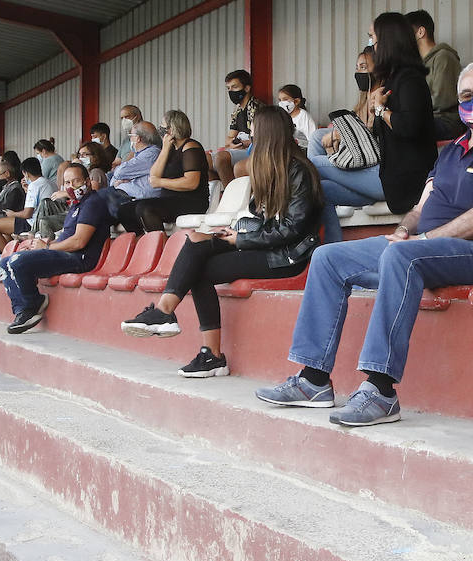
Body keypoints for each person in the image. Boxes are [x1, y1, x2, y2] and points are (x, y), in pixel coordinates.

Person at [256, 61, 473, 427]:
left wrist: (419, 241)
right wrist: (406, 231)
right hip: (424, 246)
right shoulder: (453, 150)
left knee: (402, 257)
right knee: (328, 258)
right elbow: (421, 207)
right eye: (467, 95)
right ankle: (313, 381)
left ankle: (381, 390)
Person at [122, 107, 323, 378]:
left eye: (254, 129)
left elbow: (291, 230)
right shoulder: (270, 168)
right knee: (197, 238)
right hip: (266, 243)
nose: (250, 133)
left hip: (287, 256)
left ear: (267, 134)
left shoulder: (299, 171)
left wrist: (242, 239)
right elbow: (261, 218)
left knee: (199, 269)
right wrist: (231, 231)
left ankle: (196, 340)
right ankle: (170, 316)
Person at [312, 12, 437, 241]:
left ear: (388, 41)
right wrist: (370, 115)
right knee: (321, 191)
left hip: (403, 180)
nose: (371, 44)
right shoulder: (392, 79)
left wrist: (380, 109)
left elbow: (408, 127)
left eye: (373, 38)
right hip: (387, 172)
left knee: (310, 163)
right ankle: (331, 249)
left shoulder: (410, 79)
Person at [0, 162, 111, 334]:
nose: (71, 186)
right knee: (5, 263)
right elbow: (67, 236)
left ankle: (33, 305)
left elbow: (79, 242)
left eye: (76, 181)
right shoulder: (76, 204)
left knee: (17, 263)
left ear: (87, 182)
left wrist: (48, 246)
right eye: (67, 183)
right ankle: (22, 310)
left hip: (78, 258)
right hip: (63, 253)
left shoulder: (93, 203)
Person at [130, 110, 211, 232]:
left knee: (145, 208)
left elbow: (191, 182)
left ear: (171, 129)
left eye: (163, 125)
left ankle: (160, 247)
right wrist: (165, 148)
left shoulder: (191, 147)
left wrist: (161, 182)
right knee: (126, 210)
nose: (160, 129)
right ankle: (140, 244)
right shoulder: (170, 148)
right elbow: (153, 177)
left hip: (191, 201)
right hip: (171, 200)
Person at [405, 9, 464, 139]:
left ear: (420, 32)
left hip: (446, 121)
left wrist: (409, 109)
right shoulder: (417, 65)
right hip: (427, 119)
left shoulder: (444, 57)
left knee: (406, 127)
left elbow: (442, 101)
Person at [309, 47, 376, 158]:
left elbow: (369, 136)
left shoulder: (381, 97)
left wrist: (337, 135)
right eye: (357, 68)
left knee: (316, 164)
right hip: (358, 153)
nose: (358, 72)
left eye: (363, 67)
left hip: (373, 161)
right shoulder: (364, 99)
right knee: (317, 136)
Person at [0, 157, 55, 251]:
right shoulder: (51, 183)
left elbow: (27, 214)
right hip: (48, 221)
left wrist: (13, 214)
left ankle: (7, 255)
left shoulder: (34, 185)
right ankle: (14, 250)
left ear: (26, 173)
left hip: (33, 223)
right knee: (5, 229)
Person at [214, 69, 266, 184]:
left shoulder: (257, 108)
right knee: (205, 160)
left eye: (234, 87)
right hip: (240, 148)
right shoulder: (237, 110)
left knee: (220, 158)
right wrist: (233, 143)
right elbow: (229, 138)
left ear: (247, 88)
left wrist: (243, 143)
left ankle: (232, 196)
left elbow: (262, 139)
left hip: (254, 152)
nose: (231, 91)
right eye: (228, 88)